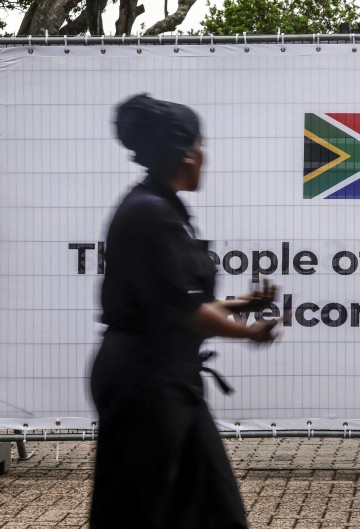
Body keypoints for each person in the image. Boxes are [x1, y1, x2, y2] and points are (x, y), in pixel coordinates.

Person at [90, 94, 280, 529]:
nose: (204, 155)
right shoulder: (148, 214)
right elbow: (185, 313)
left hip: (172, 379)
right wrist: (249, 333)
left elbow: (176, 301)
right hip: (144, 384)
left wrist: (239, 306)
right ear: (185, 153)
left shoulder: (164, 208)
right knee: (136, 513)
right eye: (200, 144)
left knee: (217, 511)